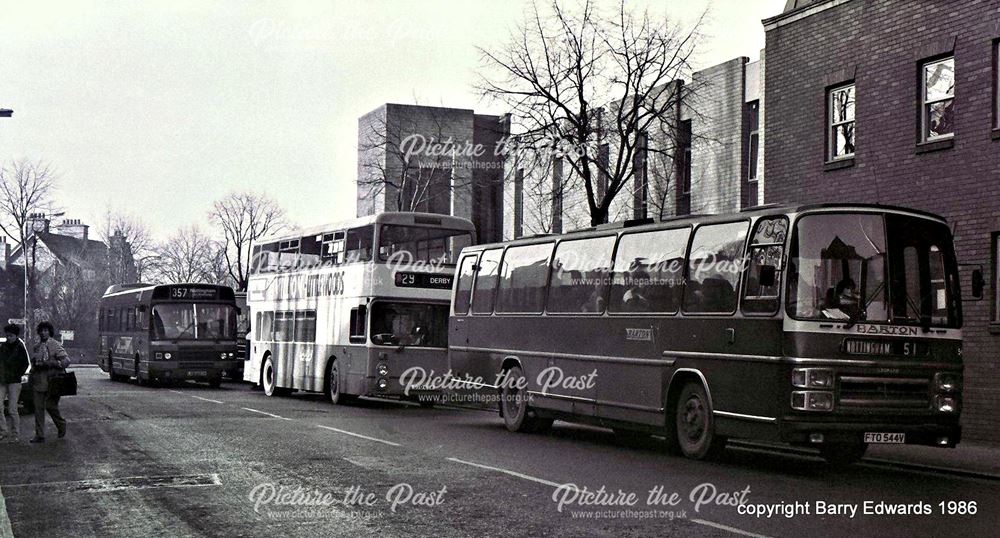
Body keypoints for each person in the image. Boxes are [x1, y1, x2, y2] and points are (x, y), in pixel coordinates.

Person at [29, 321, 70, 443]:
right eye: (41, 331)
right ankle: (39, 435)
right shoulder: (36, 346)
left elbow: (66, 361)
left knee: (51, 406)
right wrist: (34, 367)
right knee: (38, 408)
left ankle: (61, 424)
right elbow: (34, 363)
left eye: (46, 330)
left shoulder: (55, 345)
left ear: (50, 332)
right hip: (38, 381)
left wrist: (53, 363)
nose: (43, 333)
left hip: (52, 381)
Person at [0, 324, 30, 443]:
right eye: (7, 336)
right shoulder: (2, 347)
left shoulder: (20, 347)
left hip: (14, 381)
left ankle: (15, 434)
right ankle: (3, 431)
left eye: (11, 336)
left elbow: (25, 363)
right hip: (2, 380)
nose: (8, 338)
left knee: (12, 409)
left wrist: (17, 373)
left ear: (16, 336)